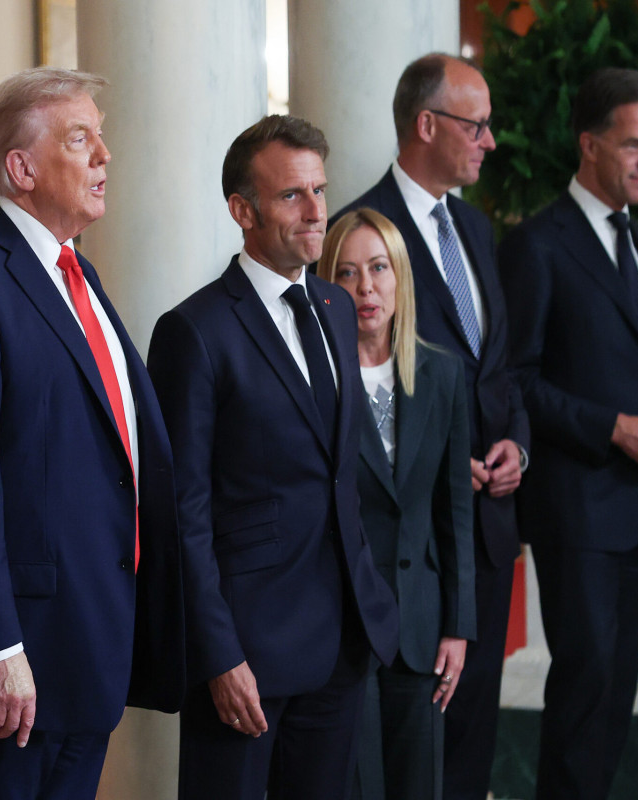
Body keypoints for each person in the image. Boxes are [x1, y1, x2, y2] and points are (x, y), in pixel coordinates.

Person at [0, 67, 184, 799]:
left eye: (101, 137)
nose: (105, 156)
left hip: (92, 640)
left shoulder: (76, 273)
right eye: (80, 139)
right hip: (18, 667)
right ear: (21, 168)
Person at [148, 115, 399, 800]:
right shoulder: (194, 332)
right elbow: (181, 513)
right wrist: (218, 654)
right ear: (242, 210)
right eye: (292, 195)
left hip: (342, 640)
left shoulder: (337, 307)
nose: (316, 211)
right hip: (246, 653)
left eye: (320, 190)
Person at [498, 68, 638, 800]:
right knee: (584, 699)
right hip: (576, 511)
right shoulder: (537, 245)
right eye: (633, 145)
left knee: (614, 698)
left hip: (637, 508)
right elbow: (516, 381)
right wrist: (617, 429)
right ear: (589, 145)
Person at [337, 52, 529, 800]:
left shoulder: (476, 229)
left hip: (482, 535)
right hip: (395, 550)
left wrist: (517, 444)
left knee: (472, 736)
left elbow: (500, 365)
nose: (489, 141)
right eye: (476, 125)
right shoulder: (359, 237)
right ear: (427, 124)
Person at [319, 208, 475, 800]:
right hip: (342, 628)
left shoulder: (443, 374)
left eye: (379, 268)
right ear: (328, 282)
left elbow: (454, 511)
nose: (366, 287)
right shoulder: (316, 379)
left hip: (422, 625)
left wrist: (458, 626)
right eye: (348, 271)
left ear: (400, 276)